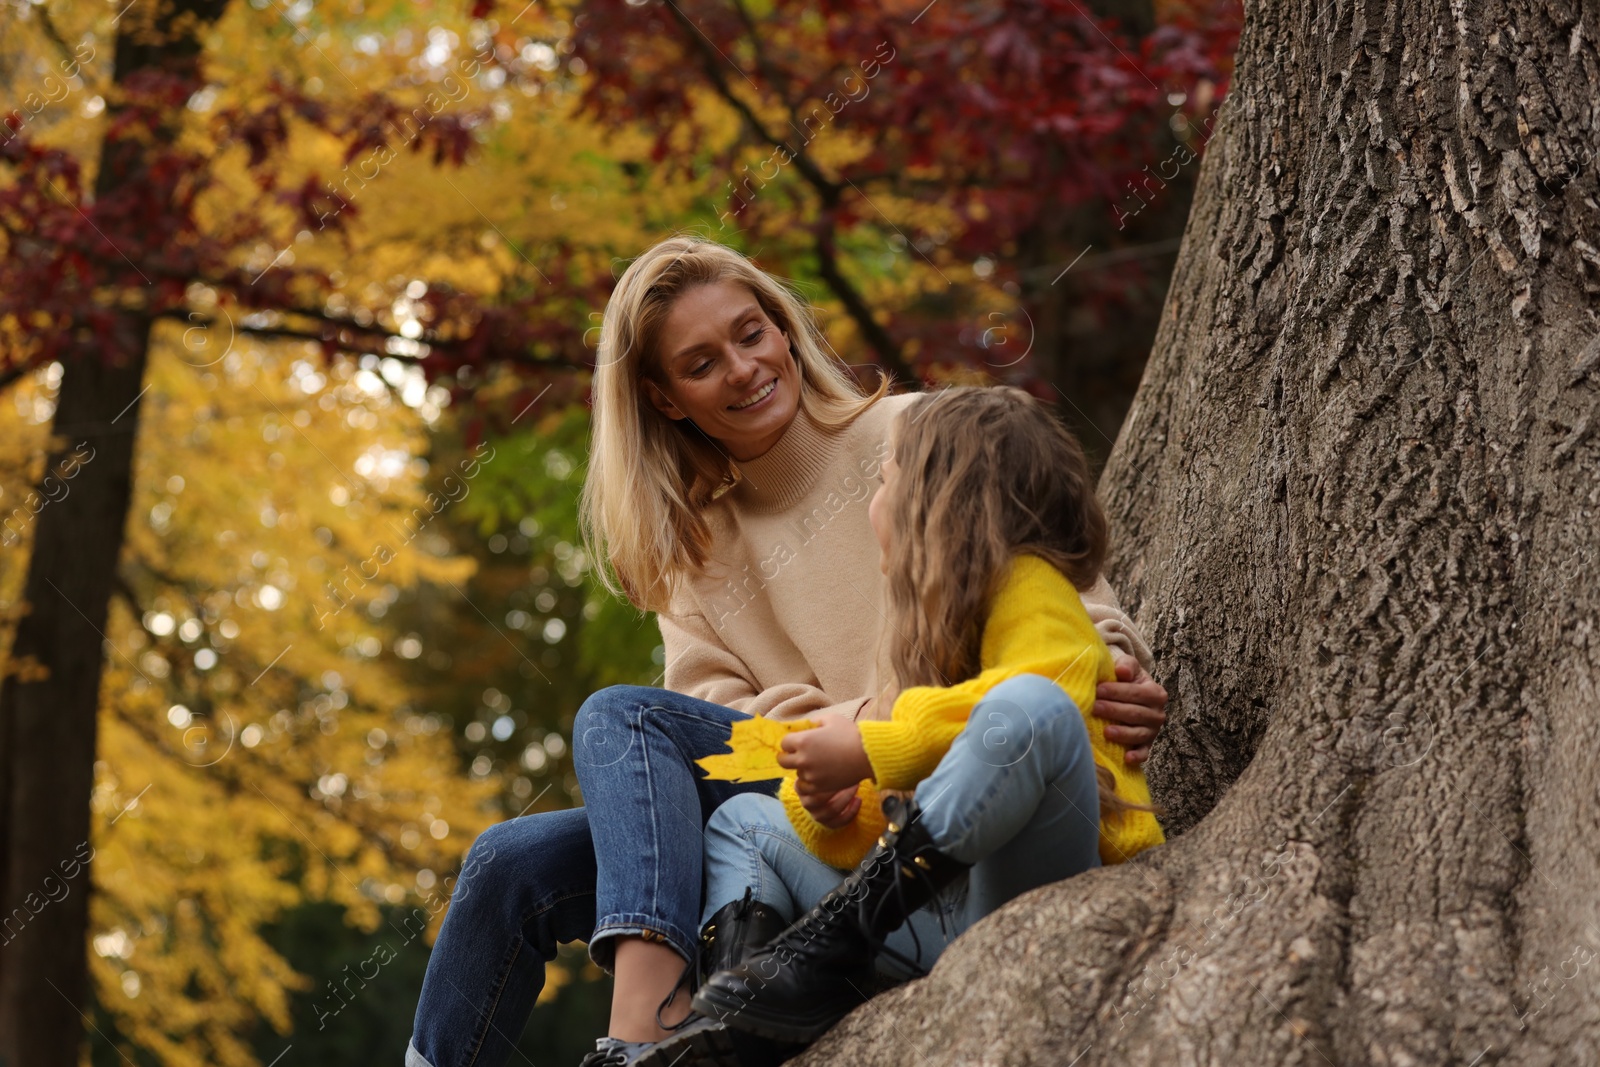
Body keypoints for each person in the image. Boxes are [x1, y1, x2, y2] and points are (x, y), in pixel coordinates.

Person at [403, 237, 1170, 1067]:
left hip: (950, 779)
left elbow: (1066, 592)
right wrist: (837, 737)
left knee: (620, 717)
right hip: (816, 799)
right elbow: (730, 736)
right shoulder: (693, 549)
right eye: (701, 363)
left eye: (751, 332)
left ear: (784, 328)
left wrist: (1113, 666)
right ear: (664, 399)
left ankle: (639, 1038)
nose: (742, 368)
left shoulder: (919, 435)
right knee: (507, 860)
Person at [672, 385, 1165, 1055]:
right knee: (741, 823)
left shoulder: (1031, 586)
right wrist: (830, 805)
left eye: (883, 482)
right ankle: (743, 1010)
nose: (871, 504)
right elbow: (909, 801)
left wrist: (873, 747)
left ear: (935, 509)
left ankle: (828, 946)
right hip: (942, 916)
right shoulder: (923, 638)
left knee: (1029, 705)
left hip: (1050, 882)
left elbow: (1037, 706)